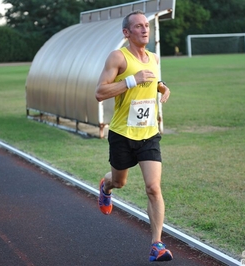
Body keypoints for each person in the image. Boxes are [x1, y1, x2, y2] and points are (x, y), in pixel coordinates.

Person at [95, 10, 172, 262]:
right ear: (126, 33)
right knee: (120, 182)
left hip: (148, 134)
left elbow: (153, 79)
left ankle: (156, 245)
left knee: (153, 188)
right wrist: (132, 80)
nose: (145, 29)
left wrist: (161, 87)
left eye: (146, 25)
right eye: (138, 26)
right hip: (122, 134)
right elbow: (100, 92)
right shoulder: (118, 57)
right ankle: (106, 186)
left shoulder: (154, 57)